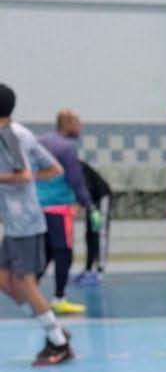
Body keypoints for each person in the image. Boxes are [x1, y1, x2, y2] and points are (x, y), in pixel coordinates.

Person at [0, 85, 73, 365]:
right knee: (4, 279)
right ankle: (53, 327)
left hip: (24, 223)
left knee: (25, 283)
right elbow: (54, 169)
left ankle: (59, 343)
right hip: (14, 222)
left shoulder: (10, 137)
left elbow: (23, 175)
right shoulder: (17, 133)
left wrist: (14, 184)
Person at [36, 109, 95, 315]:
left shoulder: (40, 141)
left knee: (45, 252)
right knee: (63, 252)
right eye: (77, 123)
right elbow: (75, 179)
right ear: (68, 124)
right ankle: (59, 298)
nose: (80, 127)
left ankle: (28, 292)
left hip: (37, 206)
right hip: (59, 207)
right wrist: (88, 203)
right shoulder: (66, 147)